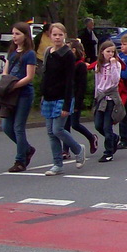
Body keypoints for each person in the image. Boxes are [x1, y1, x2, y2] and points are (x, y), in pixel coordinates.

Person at [39, 23, 85, 175]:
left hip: (62, 97)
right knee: (51, 132)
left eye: (60, 35)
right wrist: (43, 95)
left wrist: (67, 104)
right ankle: (57, 164)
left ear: (64, 36)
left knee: (57, 129)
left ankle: (78, 149)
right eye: (54, 35)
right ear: (50, 36)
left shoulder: (68, 54)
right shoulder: (48, 52)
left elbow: (69, 80)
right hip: (49, 97)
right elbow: (46, 75)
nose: (57, 37)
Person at [0, 22, 37, 173]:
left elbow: (29, 77)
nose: (14, 37)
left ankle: (20, 160)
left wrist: (14, 85)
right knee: (6, 126)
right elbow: (5, 71)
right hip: (10, 94)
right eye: (13, 34)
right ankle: (27, 148)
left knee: (18, 127)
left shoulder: (30, 54)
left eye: (17, 34)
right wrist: (6, 83)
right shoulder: (12, 52)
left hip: (23, 94)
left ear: (25, 36)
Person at [65, 39, 99, 157]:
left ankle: (91, 137)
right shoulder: (67, 64)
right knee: (65, 125)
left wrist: (78, 103)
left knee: (75, 124)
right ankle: (65, 150)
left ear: (74, 50)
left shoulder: (80, 65)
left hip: (75, 98)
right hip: (67, 97)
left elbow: (81, 86)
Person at [93, 40, 123, 163]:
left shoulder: (117, 65)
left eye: (112, 52)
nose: (110, 54)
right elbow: (97, 82)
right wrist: (96, 97)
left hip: (111, 98)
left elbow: (116, 80)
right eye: (108, 51)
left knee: (107, 126)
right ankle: (113, 138)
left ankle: (108, 152)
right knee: (98, 125)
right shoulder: (98, 66)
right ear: (102, 52)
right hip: (101, 97)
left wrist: (113, 65)